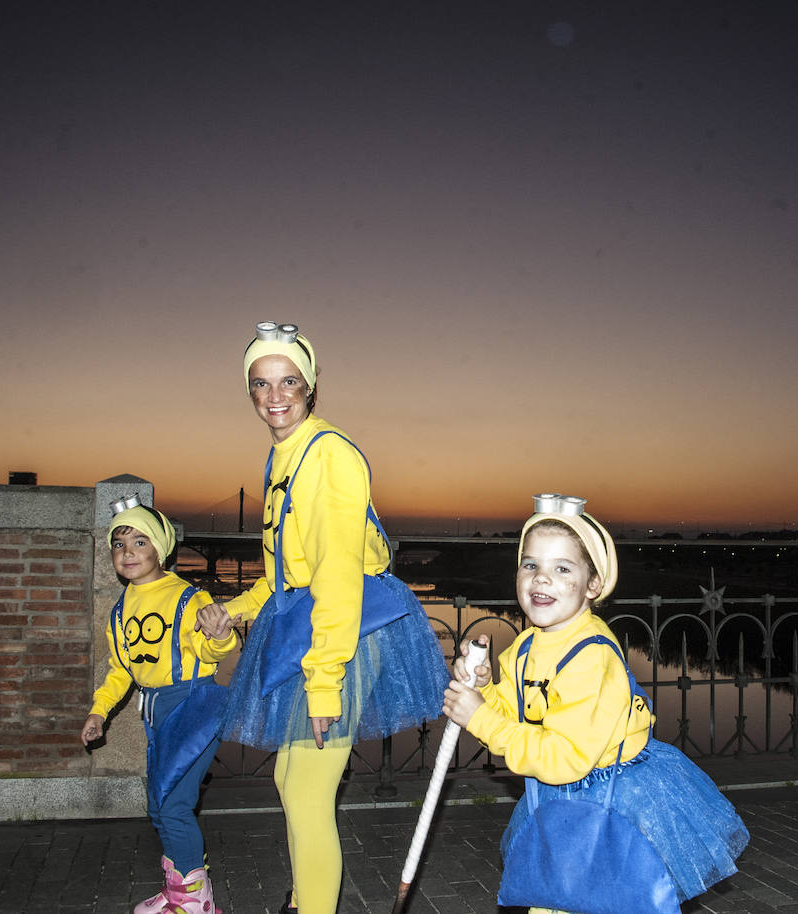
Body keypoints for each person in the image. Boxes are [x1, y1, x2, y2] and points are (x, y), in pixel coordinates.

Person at [197, 321, 449, 914]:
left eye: (289, 381)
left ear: (311, 386)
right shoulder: (284, 455)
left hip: (346, 635)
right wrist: (234, 611)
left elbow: (335, 576)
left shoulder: (327, 454)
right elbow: (288, 572)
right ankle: (304, 897)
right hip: (320, 624)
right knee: (292, 783)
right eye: (261, 384)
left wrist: (324, 684)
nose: (274, 395)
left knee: (309, 793)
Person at [442, 494, 750, 914]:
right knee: (557, 898)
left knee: (607, 899)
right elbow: (521, 716)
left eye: (561, 568)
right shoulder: (526, 646)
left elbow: (564, 757)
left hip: (612, 803)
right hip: (561, 799)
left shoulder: (591, 658)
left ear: (593, 585)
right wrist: (485, 691)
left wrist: (477, 718)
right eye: (530, 564)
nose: (540, 579)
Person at [81, 497, 236, 914]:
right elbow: (120, 670)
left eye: (139, 541)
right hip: (154, 711)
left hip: (191, 705)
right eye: (119, 544)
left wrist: (219, 633)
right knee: (160, 803)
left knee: (172, 804)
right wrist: (99, 711)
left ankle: (195, 902)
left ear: (161, 549)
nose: (127, 552)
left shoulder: (187, 597)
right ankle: (179, 888)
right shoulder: (121, 610)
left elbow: (219, 646)